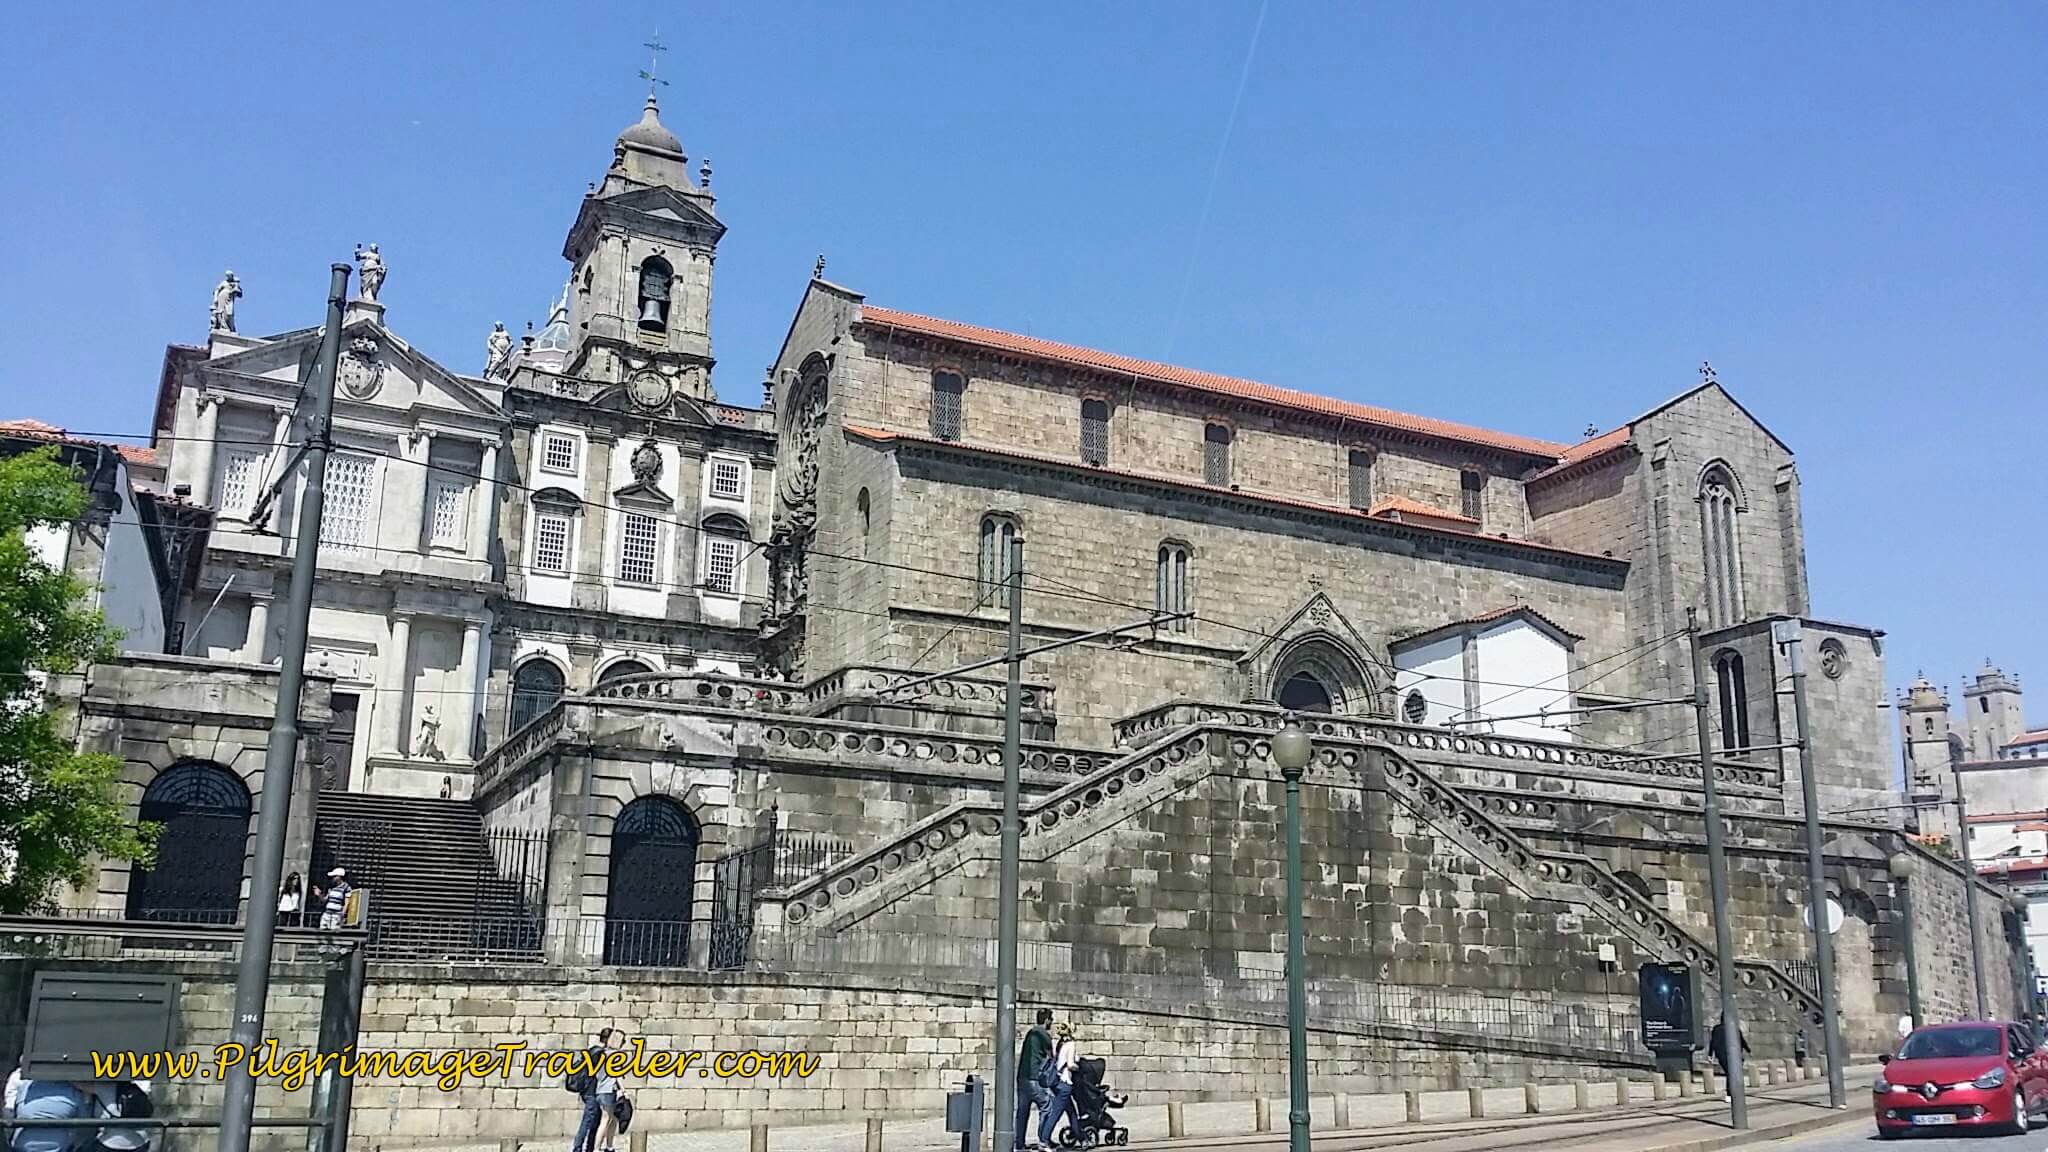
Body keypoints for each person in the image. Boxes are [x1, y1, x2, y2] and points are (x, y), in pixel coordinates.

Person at [1013, 1009, 1054, 1150]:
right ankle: (1044, 1139)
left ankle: (1019, 1143)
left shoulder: (1031, 1033)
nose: (1052, 1022)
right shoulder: (1044, 1036)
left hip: (1022, 1078)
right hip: (1034, 1078)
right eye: (1051, 1019)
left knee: (1022, 1111)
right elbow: (1051, 1058)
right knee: (1047, 1106)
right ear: (1047, 1020)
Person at [13, 1077, 87, 1152]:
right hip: (59, 1148)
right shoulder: (73, 1091)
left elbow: (11, 1116)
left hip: (22, 1147)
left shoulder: (25, 1087)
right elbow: (84, 1127)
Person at [570, 1028, 613, 1152]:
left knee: (595, 1121)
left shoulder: (593, 1050)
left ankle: (590, 1147)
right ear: (606, 1039)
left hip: (590, 1091)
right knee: (588, 1121)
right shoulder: (598, 1053)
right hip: (591, 1091)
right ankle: (577, 1148)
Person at [1038, 1022, 1079, 1149]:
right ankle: (1043, 1141)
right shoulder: (1071, 1044)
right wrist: (1078, 1067)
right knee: (1055, 1114)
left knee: (1072, 1112)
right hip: (1065, 1083)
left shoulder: (1060, 1044)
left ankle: (1081, 1136)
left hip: (1056, 1083)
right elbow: (1071, 1064)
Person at [594, 1029, 627, 1152]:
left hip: (601, 1089)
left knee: (612, 1119)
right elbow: (616, 1074)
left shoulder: (603, 1054)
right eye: (623, 1041)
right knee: (605, 1120)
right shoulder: (614, 1056)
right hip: (609, 1090)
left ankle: (609, 1146)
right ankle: (596, 1148)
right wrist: (623, 1090)